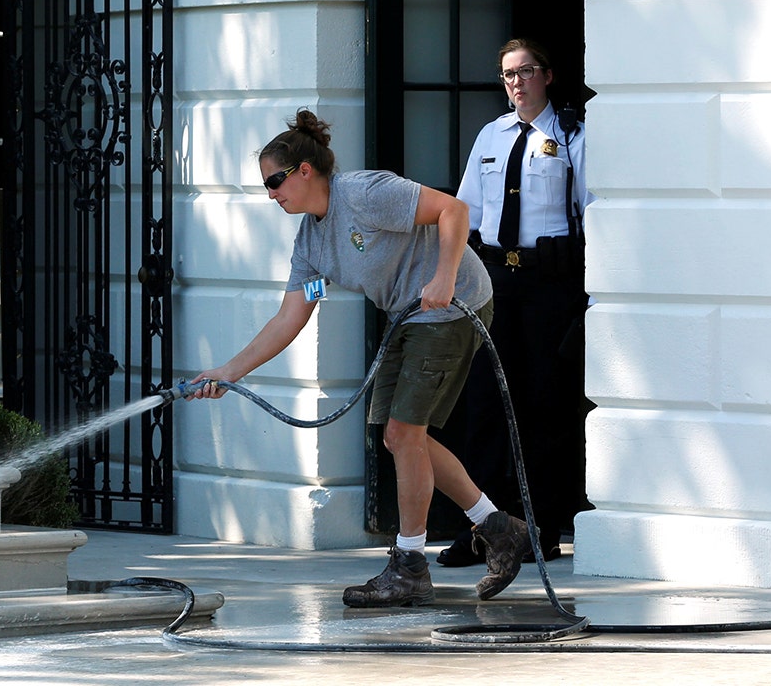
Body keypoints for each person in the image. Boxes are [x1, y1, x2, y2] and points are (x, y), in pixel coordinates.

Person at [187, 110, 531, 608]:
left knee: (404, 433)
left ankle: (410, 565)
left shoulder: (364, 194)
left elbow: (453, 210)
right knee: (399, 435)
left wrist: (445, 277)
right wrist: (228, 372)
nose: (271, 194)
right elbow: (291, 316)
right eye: (265, 186)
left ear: (305, 170)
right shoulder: (311, 245)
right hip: (407, 316)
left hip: (455, 306)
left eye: (275, 181)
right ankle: (498, 527)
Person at [439, 39, 590, 568]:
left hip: (549, 284)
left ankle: (543, 527)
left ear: (547, 76)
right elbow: (464, 211)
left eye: (526, 71)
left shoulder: (572, 138)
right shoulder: (490, 136)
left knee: (544, 406)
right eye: (508, 74)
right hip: (493, 282)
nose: (517, 82)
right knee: (483, 406)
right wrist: (450, 277)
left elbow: (591, 212)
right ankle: (481, 529)